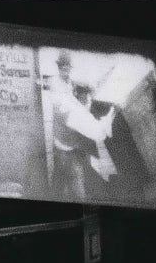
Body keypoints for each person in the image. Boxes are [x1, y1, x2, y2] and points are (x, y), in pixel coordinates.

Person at [48, 50, 116, 202]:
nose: (65, 71)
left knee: (59, 183)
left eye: (68, 68)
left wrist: (89, 91)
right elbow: (72, 111)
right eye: (63, 68)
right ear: (59, 68)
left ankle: (52, 198)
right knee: (77, 188)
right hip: (65, 146)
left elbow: (80, 99)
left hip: (71, 144)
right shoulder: (57, 88)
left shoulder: (70, 85)